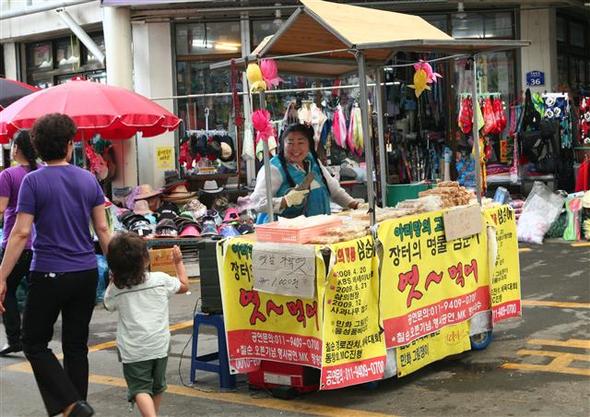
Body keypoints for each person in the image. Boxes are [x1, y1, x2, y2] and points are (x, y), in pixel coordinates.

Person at [0, 113, 111, 417]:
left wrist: (1, 275)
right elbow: (102, 229)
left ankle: (73, 405)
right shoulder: (88, 179)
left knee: (33, 342)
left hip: (49, 272)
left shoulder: (33, 182)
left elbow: (21, 232)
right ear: (69, 145)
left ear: (36, 147)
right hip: (86, 273)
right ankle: (76, 408)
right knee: (76, 345)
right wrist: (116, 268)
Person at [103, 233, 188, 417]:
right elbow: (184, 285)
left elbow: (108, 305)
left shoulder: (116, 289)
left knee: (140, 389)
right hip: (159, 345)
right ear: (145, 259)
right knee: (157, 387)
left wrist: (113, 278)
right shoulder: (160, 280)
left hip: (134, 350)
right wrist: (178, 262)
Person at [250, 123, 361, 223]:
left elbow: (335, 191)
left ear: (309, 145)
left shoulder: (313, 162)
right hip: (287, 236)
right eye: (290, 143)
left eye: (301, 142)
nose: (295, 148)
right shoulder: (273, 169)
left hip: (318, 230)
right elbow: (256, 203)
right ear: (283, 145)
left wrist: (357, 205)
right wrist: (285, 201)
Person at [0, 131, 37, 356]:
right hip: (39, 242)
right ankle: (32, 335)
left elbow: (1, 209)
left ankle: (14, 338)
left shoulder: (8, 175)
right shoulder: (41, 172)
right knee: (35, 291)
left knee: (7, 289)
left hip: (16, 242)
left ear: (16, 149)